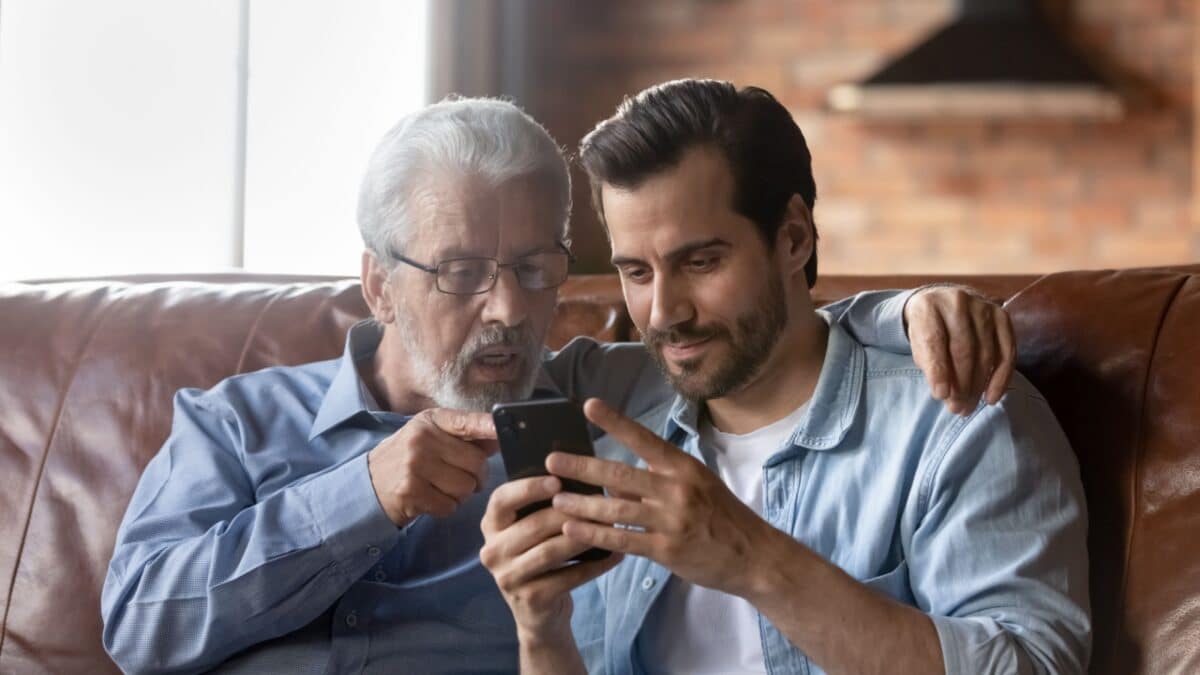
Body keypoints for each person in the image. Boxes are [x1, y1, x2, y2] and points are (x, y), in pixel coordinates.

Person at [101, 96, 1016, 673]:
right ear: (379, 283)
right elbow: (140, 626)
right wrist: (365, 495)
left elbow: (751, 339)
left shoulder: (586, 411)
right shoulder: (236, 422)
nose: (506, 308)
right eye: (461, 271)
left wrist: (899, 312)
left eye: (537, 268)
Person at [480, 80, 1090, 675]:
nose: (665, 313)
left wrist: (754, 560)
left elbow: (1032, 664)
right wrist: (541, 634)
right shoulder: (606, 411)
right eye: (637, 272)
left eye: (701, 262)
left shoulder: (957, 416)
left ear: (793, 237)